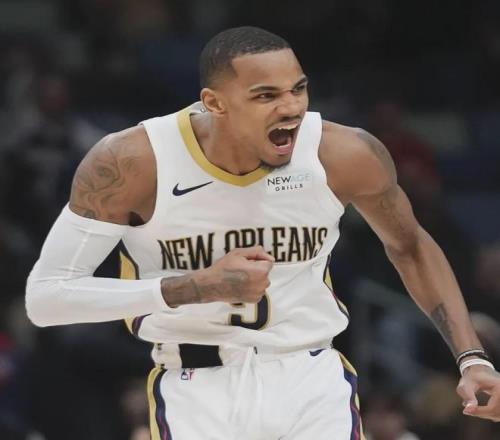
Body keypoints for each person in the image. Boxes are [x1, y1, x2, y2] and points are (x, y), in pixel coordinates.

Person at [26, 26, 500, 439]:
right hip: (196, 385)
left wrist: (472, 359)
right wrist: (193, 287)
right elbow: (47, 299)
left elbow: (410, 246)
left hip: (310, 376)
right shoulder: (133, 162)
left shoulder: (342, 153)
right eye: (266, 96)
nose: (291, 107)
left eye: (298, 89)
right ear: (214, 103)